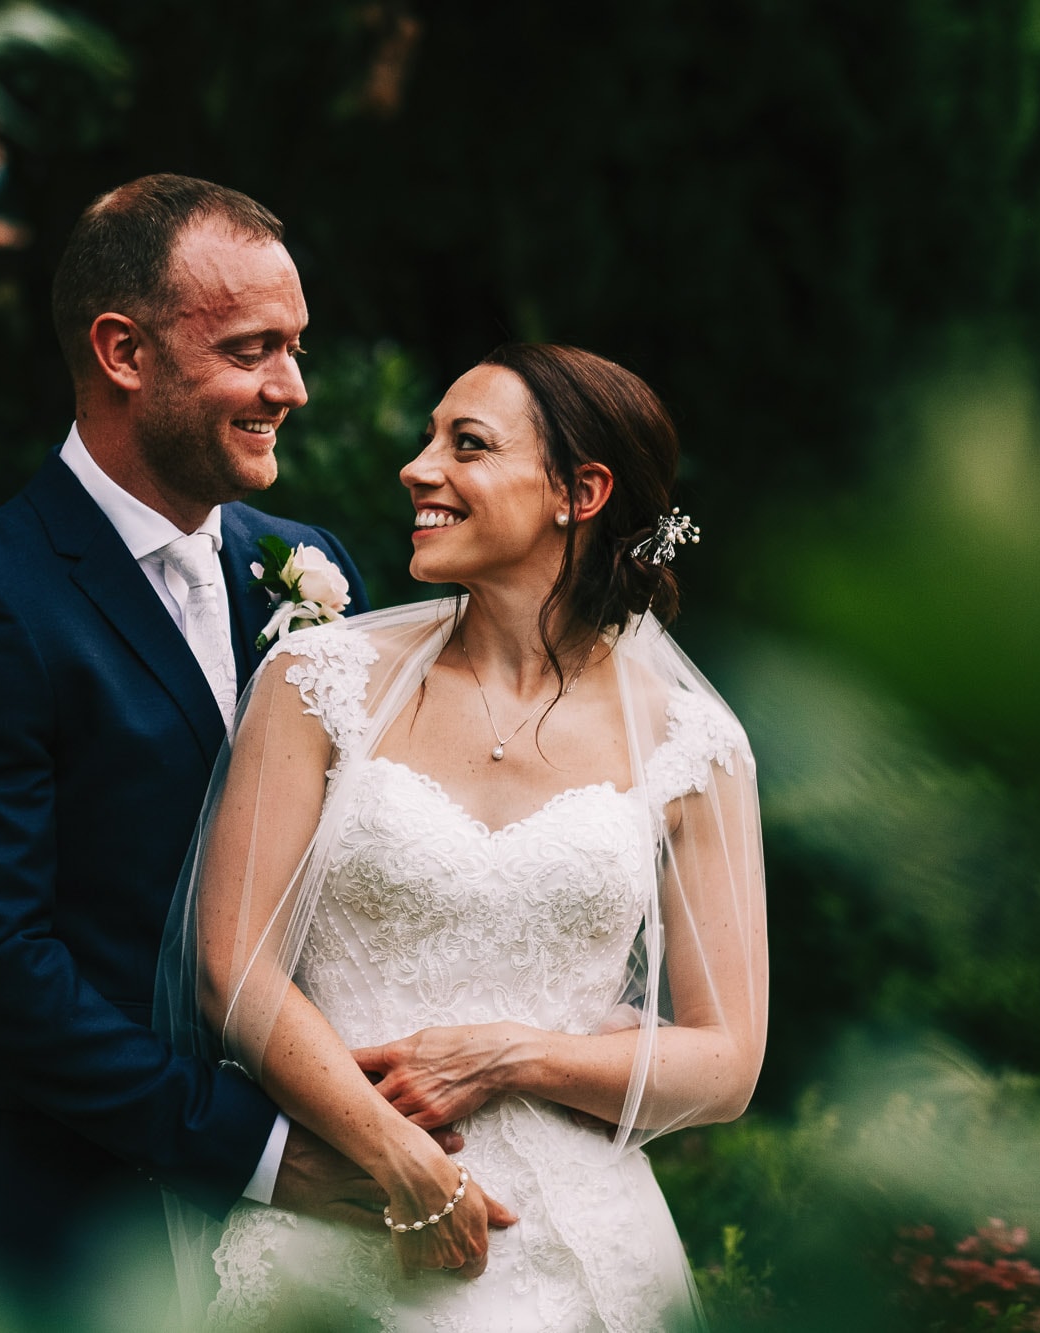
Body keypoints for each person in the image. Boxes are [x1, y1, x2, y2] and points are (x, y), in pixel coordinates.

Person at [0, 175, 469, 1331]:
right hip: (61, 1223)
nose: (290, 389)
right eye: (252, 350)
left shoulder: (303, 564)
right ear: (121, 351)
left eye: (296, 348)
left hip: (309, 1222)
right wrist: (260, 1149)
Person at [157, 343, 770, 1330]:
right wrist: (397, 1160)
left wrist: (511, 1055)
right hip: (343, 1218)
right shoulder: (316, 682)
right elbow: (231, 966)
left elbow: (725, 1060)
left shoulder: (692, 745)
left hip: (577, 1256)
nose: (417, 466)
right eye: (427, 436)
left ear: (581, 490)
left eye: (467, 444)